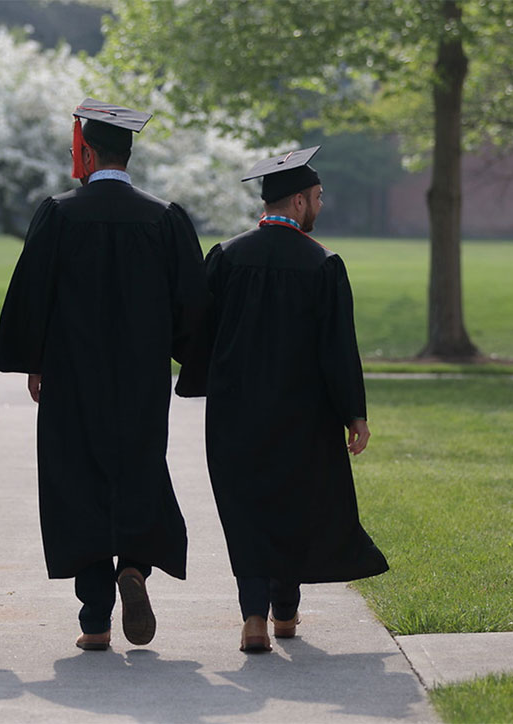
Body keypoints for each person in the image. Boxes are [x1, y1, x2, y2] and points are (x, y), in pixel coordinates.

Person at [0, 99, 207, 651]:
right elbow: (193, 307)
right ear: (128, 154)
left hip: (72, 376)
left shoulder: (59, 213)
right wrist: (189, 359)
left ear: (85, 151)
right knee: (139, 468)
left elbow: (31, 296)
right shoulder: (165, 217)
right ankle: (134, 566)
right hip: (141, 376)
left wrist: (35, 360)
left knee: (76, 479)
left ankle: (94, 616)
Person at [176, 146, 388, 653]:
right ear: (296, 202)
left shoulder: (227, 256)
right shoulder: (323, 264)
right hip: (304, 414)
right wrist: (353, 411)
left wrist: (211, 378)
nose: (320, 205)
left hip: (235, 412)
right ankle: (286, 611)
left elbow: (195, 335)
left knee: (244, 506)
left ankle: (253, 617)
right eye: (316, 197)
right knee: (294, 503)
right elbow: (338, 348)